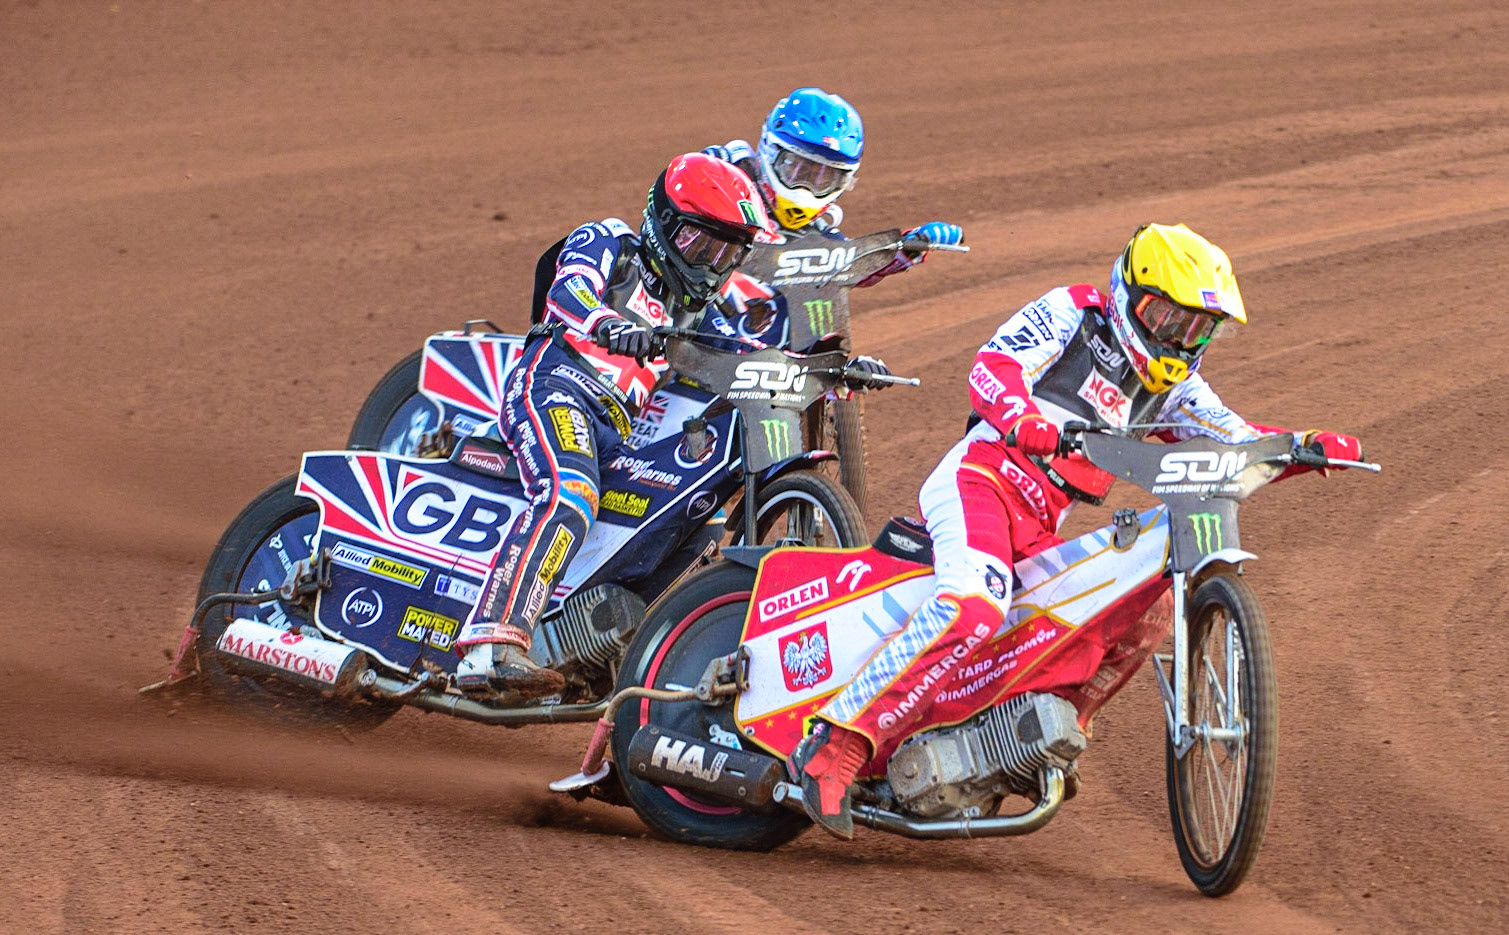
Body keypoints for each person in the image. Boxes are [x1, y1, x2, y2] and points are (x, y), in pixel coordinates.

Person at [789, 222, 1366, 839]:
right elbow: (993, 367)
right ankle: (836, 744)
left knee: (1141, 604)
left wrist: (1300, 447)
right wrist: (1022, 417)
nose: (1181, 338)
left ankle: (1039, 732)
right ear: (1132, 295)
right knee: (975, 607)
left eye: (1200, 328)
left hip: (1037, 521)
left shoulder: (1174, 389)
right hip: (980, 481)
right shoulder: (1074, 314)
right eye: (1170, 318)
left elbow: (1233, 439)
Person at [452, 152, 891, 698]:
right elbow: (570, 292)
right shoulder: (610, 241)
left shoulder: (694, 311)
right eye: (699, 244)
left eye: (727, 251)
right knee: (569, 494)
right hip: (553, 387)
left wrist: (835, 371)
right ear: (662, 222)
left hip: (613, 432)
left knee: (686, 522)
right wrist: (605, 323)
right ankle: (490, 645)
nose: (710, 262)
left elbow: (752, 350)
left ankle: (613, 661)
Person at [703, 87, 965, 284]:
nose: (807, 187)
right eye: (799, 169)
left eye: (825, 177)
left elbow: (852, 269)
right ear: (771, 152)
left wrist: (908, 248)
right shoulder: (727, 172)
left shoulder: (820, 237)